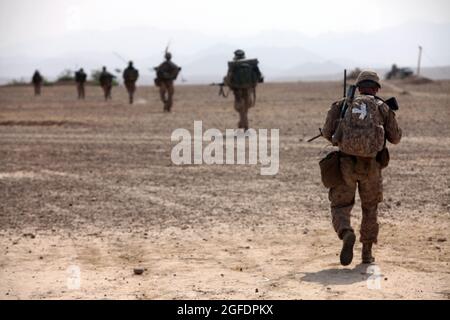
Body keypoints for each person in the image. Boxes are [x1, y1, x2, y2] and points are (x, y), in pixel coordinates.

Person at [322, 70, 402, 266]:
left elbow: (327, 132)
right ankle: (366, 253)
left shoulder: (342, 105)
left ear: (358, 88)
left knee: (340, 206)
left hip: (345, 165)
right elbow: (396, 138)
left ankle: (346, 232)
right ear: (376, 88)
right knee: (370, 208)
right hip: (372, 166)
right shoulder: (383, 107)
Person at [224, 49, 263, 131]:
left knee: (241, 109)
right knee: (245, 108)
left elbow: (228, 79)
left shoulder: (233, 66)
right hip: (249, 89)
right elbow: (259, 77)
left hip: (238, 91)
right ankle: (242, 124)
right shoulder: (251, 64)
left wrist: (227, 83)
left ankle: (245, 127)